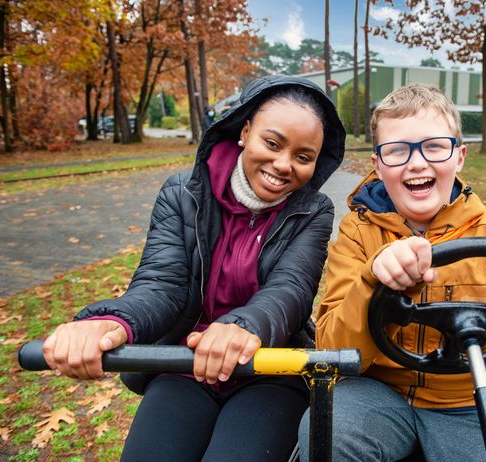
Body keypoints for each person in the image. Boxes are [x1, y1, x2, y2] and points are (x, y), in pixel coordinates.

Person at [41, 75, 346, 461]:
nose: (283, 165)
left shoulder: (313, 210)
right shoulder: (181, 193)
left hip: (268, 369)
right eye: (272, 143)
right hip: (184, 364)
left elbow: (291, 290)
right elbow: (161, 284)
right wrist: (109, 321)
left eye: (303, 157)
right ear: (245, 131)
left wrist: (241, 328)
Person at [298, 84, 486, 461]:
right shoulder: (358, 231)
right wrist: (374, 280)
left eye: (435, 146)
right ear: (377, 164)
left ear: (459, 156)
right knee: (328, 435)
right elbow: (334, 350)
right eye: (396, 150)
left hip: (466, 397)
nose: (416, 163)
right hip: (374, 392)